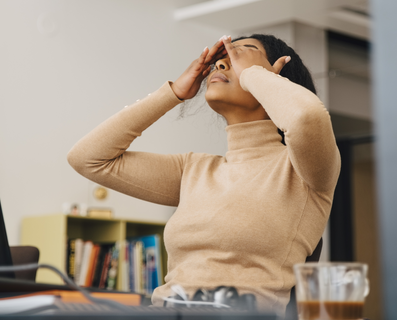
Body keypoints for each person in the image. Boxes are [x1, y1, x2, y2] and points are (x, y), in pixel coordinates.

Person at [67, 34, 340, 314]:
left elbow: (307, 117)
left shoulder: (304, 171)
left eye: (241, 55)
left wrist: (254, 76)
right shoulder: (194, 169)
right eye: (220, 59)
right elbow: (88, 159)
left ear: (275, 76)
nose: (221, 64)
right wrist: (172, 93)